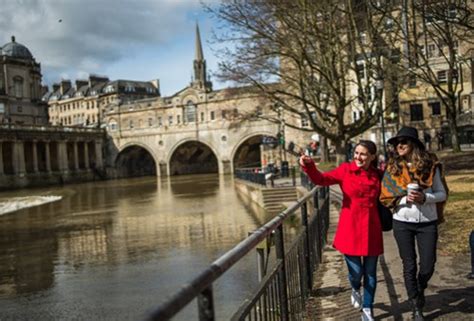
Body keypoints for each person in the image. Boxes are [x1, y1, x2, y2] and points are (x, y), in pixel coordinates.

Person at [300, 140, 383, 321]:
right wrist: (310, 166)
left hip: (371, 228)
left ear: (372, 157)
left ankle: (368, 309)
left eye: (363, 154)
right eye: (356, 153)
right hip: (351, 228)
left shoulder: (378, 174)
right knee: (356, 272)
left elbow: (393, 190)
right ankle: (354, 287)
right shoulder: (346, 170)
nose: (358, 157)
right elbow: (321, 180)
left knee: (370, 273)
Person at [380, 126, 447, 321]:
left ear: (414, 145)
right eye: (396, 143)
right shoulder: (393, 168)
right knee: (408, 265)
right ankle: (416, 306)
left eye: (404, 142)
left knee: (428, 265)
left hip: (427, 222)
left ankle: (419, 286)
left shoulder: (430, 165)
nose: (399, 145)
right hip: (402, 222)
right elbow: (385, 196)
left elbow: (442, 193)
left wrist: (424, 197)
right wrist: (404, 199)